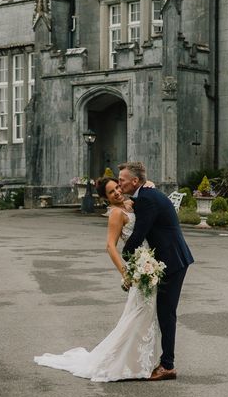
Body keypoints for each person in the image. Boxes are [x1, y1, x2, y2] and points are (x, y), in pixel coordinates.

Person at [33, 177, 160, 381]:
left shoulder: (129, 204)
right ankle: (125, 361)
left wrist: (149, 185)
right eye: (112, 192)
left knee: (145, 313)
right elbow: (110, 246)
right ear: (105, 198)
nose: (118, 192)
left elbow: (143, 193)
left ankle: (141, 360)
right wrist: (125, 273)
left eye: (118, 188)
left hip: (149, 263)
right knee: (138, 313)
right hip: (139, 268)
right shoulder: (116, 214)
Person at [119, 161, 194, 381]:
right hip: (168, 259)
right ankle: (164, 361)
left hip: (172, 260)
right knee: (163, 311)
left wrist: (125, 257)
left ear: (135, 181)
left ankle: (168, 365)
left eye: (122, 179)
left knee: (166, 313)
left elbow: (139, 234)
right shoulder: (146, 195)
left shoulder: (147, 199)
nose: (119, 182)